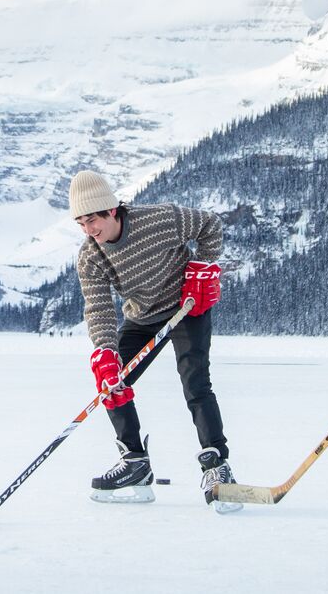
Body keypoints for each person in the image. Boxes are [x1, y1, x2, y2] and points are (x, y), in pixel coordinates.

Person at [68, 170, 240, 514]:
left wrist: (201, 270)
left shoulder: (161, 219)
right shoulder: (91, 257)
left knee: (195, 383)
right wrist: (105, 352)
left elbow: (210, 225)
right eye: (81, 223)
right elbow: (98, 308)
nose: (89, 230)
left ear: (111, 210)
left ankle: (216, 465)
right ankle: (134, 463)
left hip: (186, 307)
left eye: (92, 220)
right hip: (141, 319)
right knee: (111, 383)